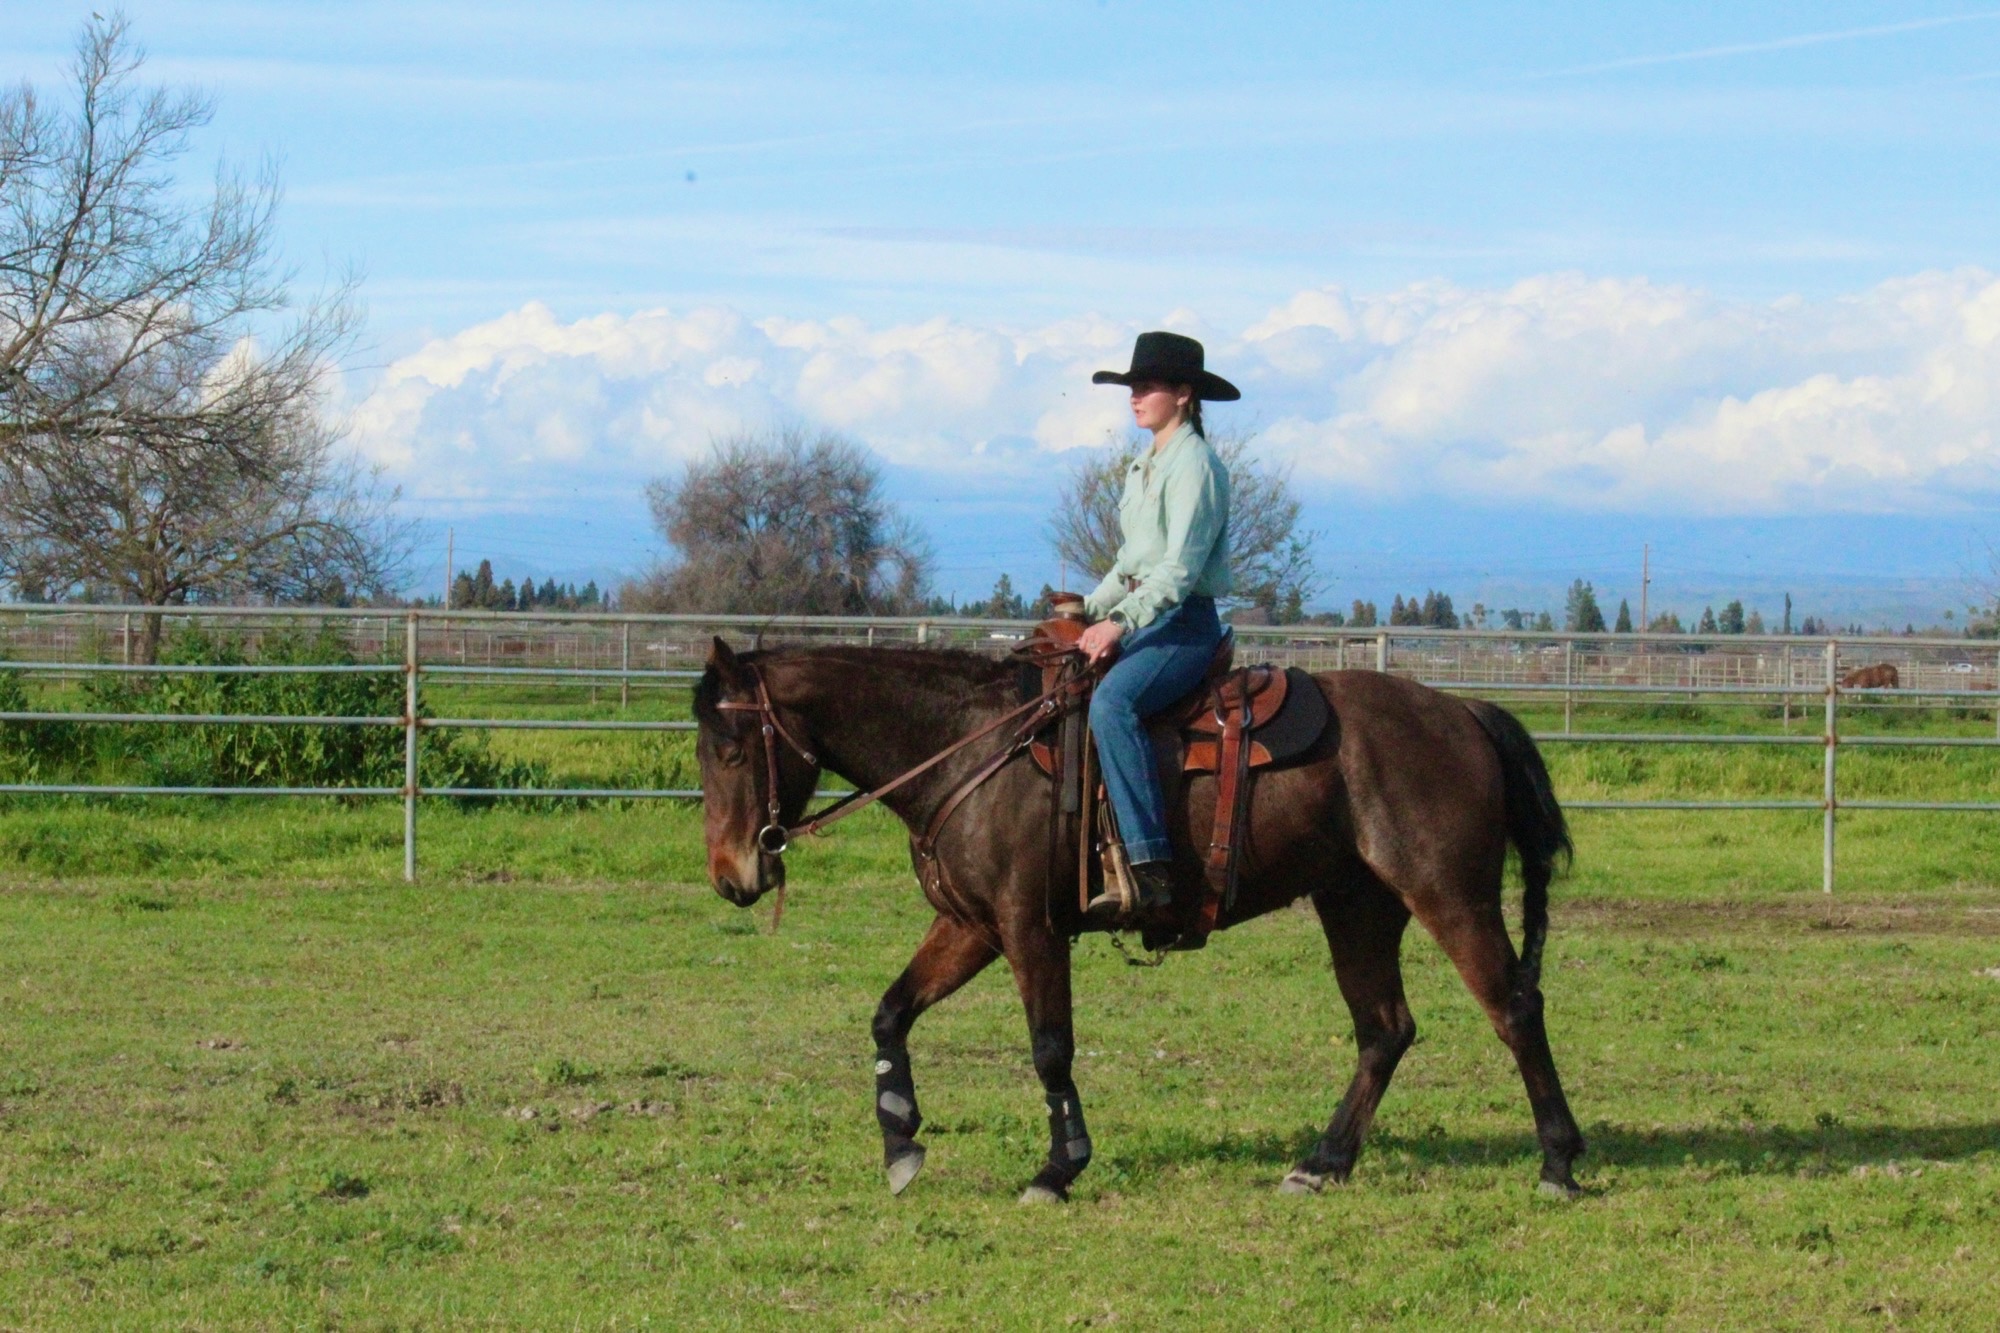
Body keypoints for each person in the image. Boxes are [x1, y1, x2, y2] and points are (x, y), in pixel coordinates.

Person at [1076, 331, 1236, 916]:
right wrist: (1084, 612)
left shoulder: (1195, 465)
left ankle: (1151, 869)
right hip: (1146, 619)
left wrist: (1118, 623)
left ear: (1184, 394)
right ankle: (1092, 848)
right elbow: (1131, 563)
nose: (1135, 395)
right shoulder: (1144, 465)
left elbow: (1178, 570)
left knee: (1112, 705)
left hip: (1184, 626)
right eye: (1133, 386)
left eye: (1148, 386)